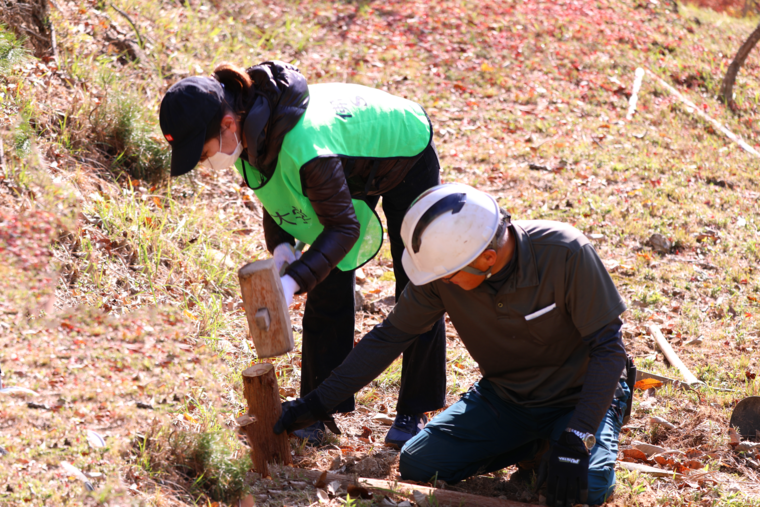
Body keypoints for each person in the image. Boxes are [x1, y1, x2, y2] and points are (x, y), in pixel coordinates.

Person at [274, 183, 632, 507]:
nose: (441, 282)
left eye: (448, 277)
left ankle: (562, 437)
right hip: (508, 397)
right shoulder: (446, 269)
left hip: (580, 395)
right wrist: (317, 402)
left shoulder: (565, 251)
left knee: (590, 484)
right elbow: (389, 337)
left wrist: (578, 432)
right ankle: (538, 446)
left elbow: (609, 347)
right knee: (421, 462)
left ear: (487, 259)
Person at [158, 61, 446, 447]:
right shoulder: (247, 131)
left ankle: (415, 408)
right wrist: (282, 251)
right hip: (346, 162)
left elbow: (345, 228)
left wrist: (293, 281)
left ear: (227, 124)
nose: (205, 163)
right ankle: (318, 409)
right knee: (326, 279)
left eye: (203, 151)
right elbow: (275, 192)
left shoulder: (304, 144)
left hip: (400, 151)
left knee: (417, 282)